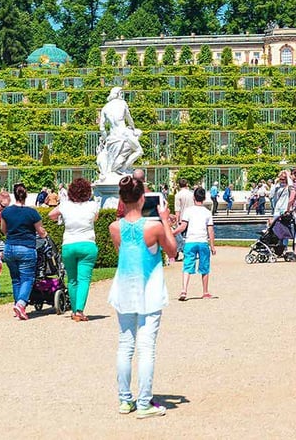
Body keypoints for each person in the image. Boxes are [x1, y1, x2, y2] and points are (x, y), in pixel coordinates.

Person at [107, 175, 177, 419]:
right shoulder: (153, 226)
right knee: (146, 348)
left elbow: (120, 251)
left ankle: (125, 400)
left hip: (124, 288)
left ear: (122, 199)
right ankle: (144, 402)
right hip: (149, 290)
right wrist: (165, 220)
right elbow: (173, 251)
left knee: (125, 345)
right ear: (142, 198)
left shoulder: (114, 227)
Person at [49, 178, 100, 321]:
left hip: (69, 244)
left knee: (72, 279)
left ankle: (73, 311)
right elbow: (95, 218)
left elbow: (51, 215)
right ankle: (79, 311)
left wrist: (61, 218)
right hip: (87, 244)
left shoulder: (65, 205)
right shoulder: (93, 205)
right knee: (84, 279)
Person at [1, 183, 48, 320]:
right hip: (26, 248)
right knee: (27, 278)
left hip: (9, 247)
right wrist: (45, 235)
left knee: (16, 279)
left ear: (14, 195)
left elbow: (3, 230)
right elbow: (41, 231)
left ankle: (18, 306)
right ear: (25, 195)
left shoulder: (6, 212)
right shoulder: (32, 213)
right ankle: (21, 304)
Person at [172, 186, 216, 301]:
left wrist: (173, 233)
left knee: (187, 265)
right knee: (205, 267)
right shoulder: (207, 212)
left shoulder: (188, 211)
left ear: (193, 197)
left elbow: (183, 226)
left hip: (190, 241)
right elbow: (210, 230)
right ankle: (205, 292)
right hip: (202, 242)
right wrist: (212, 246)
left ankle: (184, 290)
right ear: (204, 198)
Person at [97, 86, 144, 181]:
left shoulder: (105, 108)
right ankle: (123, 168)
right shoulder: (122, 103)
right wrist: (133, 128)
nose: (122, 95)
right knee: (139, 151)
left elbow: (102, 128)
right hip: (124, 133)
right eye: (121, 93)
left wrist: (106, 139)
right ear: (118, 94)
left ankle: (119, 169)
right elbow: (129, 118)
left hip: (112, 136)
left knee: (116, 158)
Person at [174, 179, 194, 261]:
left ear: (179, 185)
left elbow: (177, 209)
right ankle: (191, 253)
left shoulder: (178, 195)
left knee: (178, 237)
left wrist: (176, 220)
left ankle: (178, 253)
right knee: (191, 237)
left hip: (182, 219)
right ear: (187, 185)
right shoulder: (191, 194)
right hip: (191, 218)